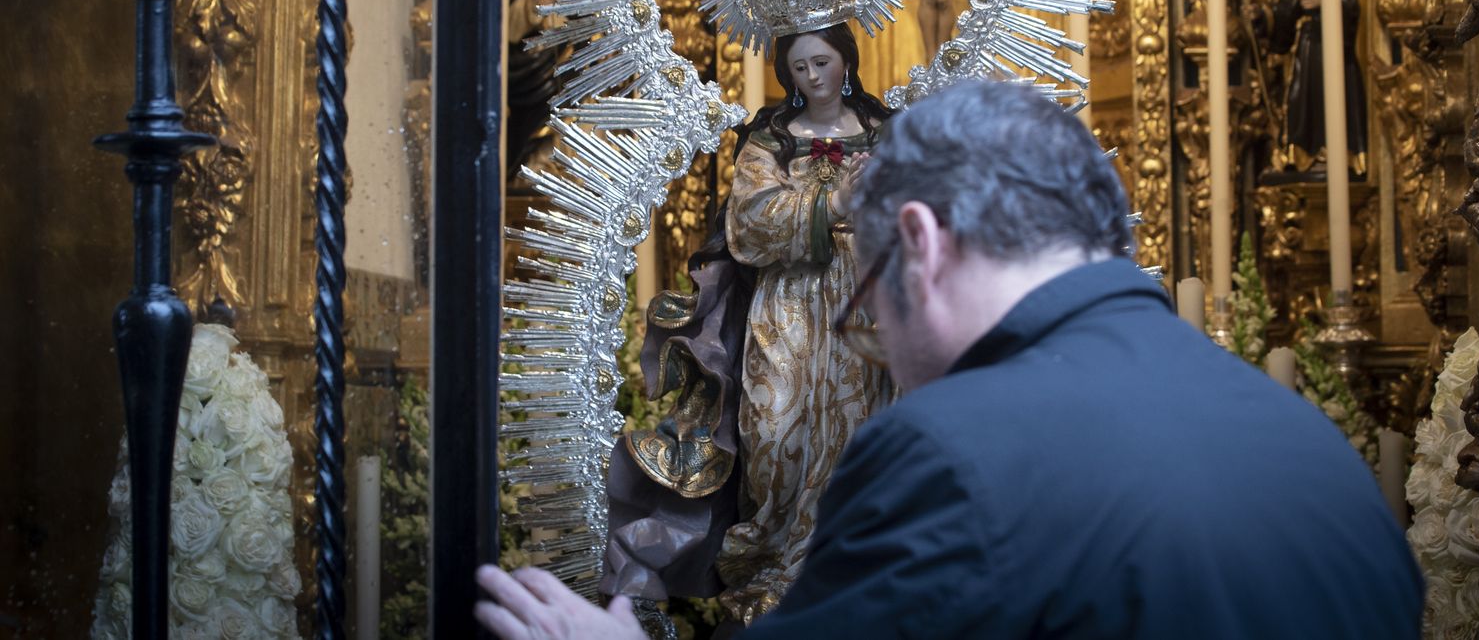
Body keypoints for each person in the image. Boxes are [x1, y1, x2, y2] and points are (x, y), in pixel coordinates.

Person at [479, 80, 1423, 639]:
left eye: (867, 294)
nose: (875, 336)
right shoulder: (1309, 446)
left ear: (920, 243)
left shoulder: (944, 452)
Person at [600, 22, 895, 627]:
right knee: (774, 432)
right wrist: (832, 205)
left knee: (855, 435)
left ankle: (841, 573)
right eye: (799, 67)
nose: (812, 77)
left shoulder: (885, 132)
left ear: (847, 61)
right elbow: (751, 222)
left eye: (822, 62)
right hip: (784, 306)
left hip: (861, 307)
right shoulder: (770, 139)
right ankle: (772, 571)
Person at [1263, 0, 1369, 177]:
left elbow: (1351, 5)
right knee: (1301, 100)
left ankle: (1332, 151)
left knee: (1329, 100)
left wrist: (1325, 3)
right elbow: (1287, 5)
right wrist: (1264, 14)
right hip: (1306, 56)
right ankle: (1301, 152)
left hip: (1331, 58)